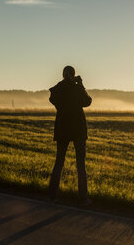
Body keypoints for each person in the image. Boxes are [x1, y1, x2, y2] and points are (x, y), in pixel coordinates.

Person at [48, 65, 92, 206]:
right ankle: (83, 198)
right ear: (74, 74)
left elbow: (52, 97)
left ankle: (52, 196)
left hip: (62, 128)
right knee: (80, 164)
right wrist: (80, 84)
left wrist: (66, 82)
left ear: (63, 75)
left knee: (59, 162)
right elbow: (87, 102)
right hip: (78, 128)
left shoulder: (58, 89)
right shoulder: (77, 87)